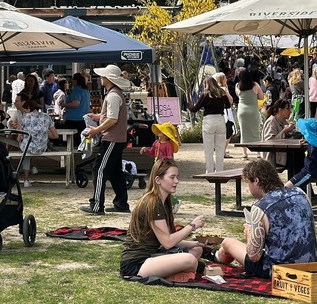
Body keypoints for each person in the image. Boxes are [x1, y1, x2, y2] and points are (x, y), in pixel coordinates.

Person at [216, 159, 317, 278]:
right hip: (310, 263)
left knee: (228, 242)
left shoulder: (260, 207)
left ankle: (215, 256)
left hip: (279, 270)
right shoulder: (300, 193)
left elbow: (254, 256)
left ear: (256, 180)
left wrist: (249, 234)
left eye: (248, 183)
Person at [119, 159, 209, 278]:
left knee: (197, 250)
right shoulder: (153, 203)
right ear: (158, 180)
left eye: (177, 177)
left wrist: (195, 243)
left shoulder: (163, 201)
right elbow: (167, 242)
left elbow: (166, 240)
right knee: (190, 260)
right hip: (136, 263)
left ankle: (180, 273)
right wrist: (191, 226)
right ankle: (186, 271)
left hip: (153, 255)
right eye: (172, 177)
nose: (176, 181)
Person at [80, 65, 131, 215]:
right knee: (115, 172)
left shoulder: (113, 95)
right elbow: (110, 117)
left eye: (103, 76)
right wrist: (98, 117)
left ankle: (97, 205)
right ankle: (121, 203)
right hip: (118, 138)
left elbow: (112, 120)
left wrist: (96, 130)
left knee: (99, 169)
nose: (101, 78)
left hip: (112, 138)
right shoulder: (116, 93)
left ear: (108, 79)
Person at [189, 75, 231, 173]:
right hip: (220, 119)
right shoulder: (222, 93)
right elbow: (228, 105)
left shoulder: (206, 95)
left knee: (208, 148)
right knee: (220, 149)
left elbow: (195, 109)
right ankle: (220, 170)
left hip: (209, 120)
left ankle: (210, 170)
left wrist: (189, 105)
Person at [13, 97, 58, 187]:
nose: (25, 111)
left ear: (29, 108)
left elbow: (19, 138)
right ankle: (33, 167)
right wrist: (43, 133)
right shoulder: (46, 116)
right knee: (28, 148)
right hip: (42, 147)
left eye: (25, 109)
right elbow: (55, 135)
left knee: (25, 151)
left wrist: (18, 129)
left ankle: (26, 180)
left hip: (27, 147)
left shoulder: (24, 118)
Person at [285, 118, 317, 192]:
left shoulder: (315, 149)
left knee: (287, 188)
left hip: (310, 173)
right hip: (310, 171)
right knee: (287, 187)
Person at [236, 67, 265, 160]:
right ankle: (258, 153)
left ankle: (244, 154)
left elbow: (238, 95)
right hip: (253, 110)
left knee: (243, 132)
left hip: (242, 111)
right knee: (255, 131)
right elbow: (261, 97)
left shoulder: (238, 86)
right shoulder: (255, 85)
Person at [260, 99, 294, 169]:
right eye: (287, 109)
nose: (290, 112)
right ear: (280, 110)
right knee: (296, 159)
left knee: (299, 156)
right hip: (272, 157)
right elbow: (269, 141)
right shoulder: (272, 121)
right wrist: (284, 132)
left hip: (281, 154)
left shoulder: (283, 121)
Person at [61, 73, 91, 146]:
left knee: (73, 142)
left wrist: (64, 104)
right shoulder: (86, 90)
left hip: (74, 119)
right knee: (81, 141)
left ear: (75, 81)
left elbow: (76, 104)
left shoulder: (76, 90)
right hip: (83, 118)